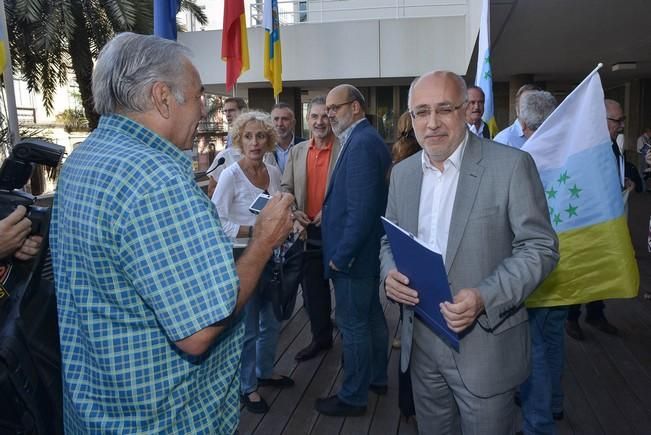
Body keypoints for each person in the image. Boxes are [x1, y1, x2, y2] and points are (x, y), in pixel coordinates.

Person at [49, 33, 294, 433]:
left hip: (95, 412)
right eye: (199, 95)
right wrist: (265, 238)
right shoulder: (155, 178)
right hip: (165, 420)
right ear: (163, 97)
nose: (204, 108)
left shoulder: (84, 157)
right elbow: (200, 330)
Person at [381, 70, 559, 434]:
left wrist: (484, 297)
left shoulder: (510, 166)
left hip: (486, 350)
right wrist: (389, 273)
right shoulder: (403, 174)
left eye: (444, 109)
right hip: (421, 347)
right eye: (421, 112)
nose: (432, 123)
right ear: (410, 118)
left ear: (465, 111)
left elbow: (540, 247)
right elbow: (389, 240)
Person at [212, 110, 296, 414]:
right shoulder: (230, 176)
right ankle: (247, 387)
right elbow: (216, 221)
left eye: (261, 136)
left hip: (271, 256)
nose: (255, 142)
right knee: (246, 328)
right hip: (241, 257)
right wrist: (256, 231)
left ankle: (264, 371)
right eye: (248, 136)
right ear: (238, 140)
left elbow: (274, 209)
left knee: (271, 319)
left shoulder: (273, 172)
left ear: (269, 139)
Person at [316, 84, 391, 417]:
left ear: (356, 108)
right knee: (371, 316)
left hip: (353, 257)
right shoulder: (363, 139)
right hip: (363, 254)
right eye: (327, 109)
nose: (330, 114)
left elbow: (362, 211)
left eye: (335, 108)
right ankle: (376, 378)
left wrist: (341, 255)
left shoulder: (361, 144)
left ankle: (353, 396)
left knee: (353, 324)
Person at [516, 90, 568, 434]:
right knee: (553, 339)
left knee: (532, 348)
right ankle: (555, 403)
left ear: (522, 122)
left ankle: (538, 423)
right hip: (566, 266)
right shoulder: (572, 151)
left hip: (533, 268)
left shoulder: (521, 159)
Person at [565, 99, 631, 341]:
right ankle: (571, 317)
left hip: (606, 221)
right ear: (601, 121)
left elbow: (616, 168)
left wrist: (625, 179)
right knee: (580, 271)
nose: (621, 126)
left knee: (600, 268)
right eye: (617, 121)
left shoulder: (612, 145)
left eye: (622, 120)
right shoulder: (584, 147)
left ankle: (595, 313)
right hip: (585, 222)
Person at [281, 96, 341, 362]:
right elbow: (285, 188)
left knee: (345, 293)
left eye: (324, 116)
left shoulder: (345, 148)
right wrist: (293, 211)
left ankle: (352, 344)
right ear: (307, 120)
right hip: (307, 233)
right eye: (314, 116)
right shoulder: (297, 151)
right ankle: (321, 338)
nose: (320, 121)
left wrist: (332, 211)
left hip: (338, 233)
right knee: (314, 293)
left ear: (332, 118)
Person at [206, 97, 252, 197]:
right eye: (225, 111)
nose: (227, 114)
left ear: (243, 111)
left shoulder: (265, 153)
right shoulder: (228, 145)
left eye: (231, 110)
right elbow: (212, 189)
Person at [494, 84, 541, 148]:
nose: (531, 107)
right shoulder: (503, 140)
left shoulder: (547, 134)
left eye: (535, 103)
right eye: (526, 104)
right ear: (517, 109)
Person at [271, 102, 306, 173]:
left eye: (285, 119)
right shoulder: (265, 148)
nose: (280, 124)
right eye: (276, 119)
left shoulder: (306, 147)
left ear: (293, 123)